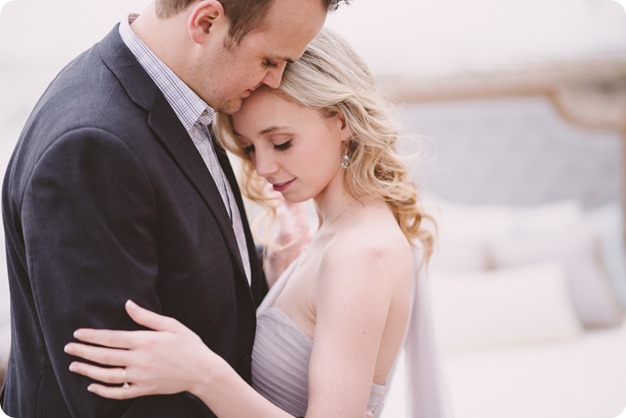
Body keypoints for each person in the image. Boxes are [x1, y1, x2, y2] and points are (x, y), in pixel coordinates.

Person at [64, 29, 448, 418]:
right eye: (249, 148)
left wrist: (204, 374)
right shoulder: (335, 235)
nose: (263, 167)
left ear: (342, 121)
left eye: (281, 142)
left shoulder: (361, 252)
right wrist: (275, 275)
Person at [0, 0, 342, 416]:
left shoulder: (186, 96)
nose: (276, 78)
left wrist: (263, 270)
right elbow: (115, 397)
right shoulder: (92, 146)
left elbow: (175, 262)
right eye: (269, 59)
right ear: (207, 21)